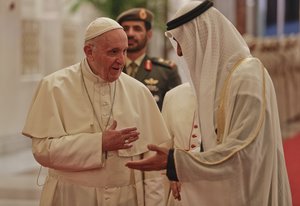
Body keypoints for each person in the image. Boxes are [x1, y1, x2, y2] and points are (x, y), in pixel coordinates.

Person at [126, 1, 293, 205]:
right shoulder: (221, 83)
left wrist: (176, 162)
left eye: (181, 41)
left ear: (203, 36)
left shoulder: (248, 77)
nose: (178, 52)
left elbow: (243, 152)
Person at [22, 17, 171, 206]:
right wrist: (99, 143)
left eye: (124, 51)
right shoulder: (54, 87)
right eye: (113, 52)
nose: (121, 60)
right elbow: (42, 151)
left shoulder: (139, 91)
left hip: (126, 200)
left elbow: (151, 169)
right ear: (89, 52)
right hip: (72, 198)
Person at [116, 8, 182, 110]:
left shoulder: (166, 71)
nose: (130, 34)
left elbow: (176, 111)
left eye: (137, 29)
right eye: (125, 28)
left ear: (149, 34)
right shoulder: (109, 68)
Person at [161, 82, 200, 206]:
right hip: (179, 194)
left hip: (212, 188)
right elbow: (164, 150)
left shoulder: (231, 93)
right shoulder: (173, 95)